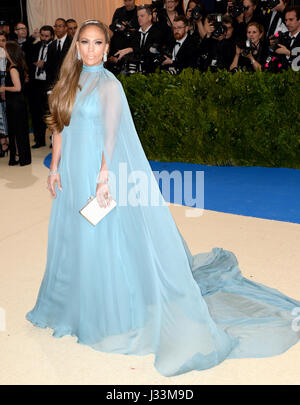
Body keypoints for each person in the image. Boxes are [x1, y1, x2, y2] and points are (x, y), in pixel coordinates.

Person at [25, 19, 300, 378]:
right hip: (71, 174)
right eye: (85, 43)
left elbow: (111, 134)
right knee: (73, 237)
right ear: (76, 47)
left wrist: (105, 175)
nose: (91, 49)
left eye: (97, 43)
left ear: (107, 49)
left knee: (101, 240)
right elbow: (59, 125)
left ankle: (106, 312)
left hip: (97, 173)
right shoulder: (67, 82)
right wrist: (55, 167)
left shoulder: (110, 86)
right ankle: (70, 305)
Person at [0, 41, 31, 166]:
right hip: (18, 103)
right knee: (19, 131)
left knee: (16, 131)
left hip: (15, 104)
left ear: (10, 52)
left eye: (5, 50)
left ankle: (18, 155)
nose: (4, 52)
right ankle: (20, 155)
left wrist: (4, 88)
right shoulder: (16, 65)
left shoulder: (13, 69)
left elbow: (17, 88)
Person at [28, 25, 54, 148]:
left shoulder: (55, 47)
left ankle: (54, 140)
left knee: (51, 113)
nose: (44, 38)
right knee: (36, 113)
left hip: (48, 85)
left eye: (46, 36)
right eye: (42, 35)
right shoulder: (36, 46)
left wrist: (45, 64)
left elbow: (57, 65)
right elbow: (24, 51)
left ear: (52, 36)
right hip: (36, 84)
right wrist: (31, 38)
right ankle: (39, 140)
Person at [45, 18, 72, 91]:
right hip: (54, 85)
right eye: (55, 26)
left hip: (69, 83)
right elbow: (49, 67)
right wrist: (49, 87)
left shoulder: (72, 43)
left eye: (60, 26)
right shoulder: (52, 45)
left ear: (66, 28)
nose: (57, 29)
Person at [0, 31, 8, 157]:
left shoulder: (10, 54)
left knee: (7, 114)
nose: (1, 43)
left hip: (7, 86)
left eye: (3, 40)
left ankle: (8, 141)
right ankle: (2, 142)